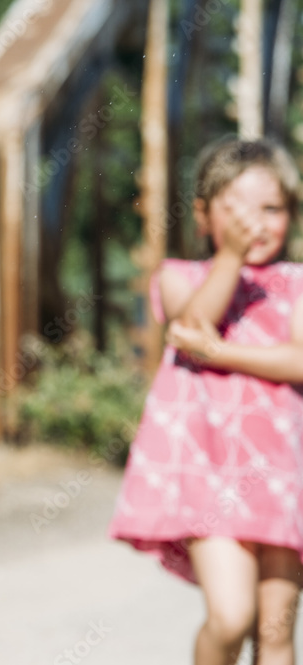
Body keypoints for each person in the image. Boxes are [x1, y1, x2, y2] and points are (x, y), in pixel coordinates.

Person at [109, 137, 303, 665]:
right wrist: (232, 257)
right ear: (202, 216)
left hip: (285, 480)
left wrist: (218, 351)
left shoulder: (295, 285)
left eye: (272, 209)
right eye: (236, 210)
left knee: (277, 633)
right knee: (232, 616)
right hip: (210, 477)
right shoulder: (180, 276)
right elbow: (191, 324)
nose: (255, 223)